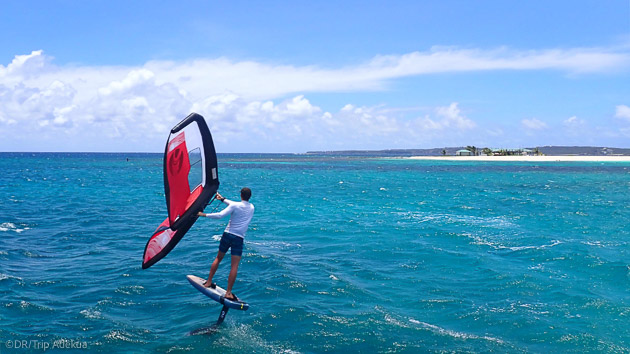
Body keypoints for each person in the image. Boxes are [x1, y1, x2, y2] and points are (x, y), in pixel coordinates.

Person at [198, 187, 254, 301]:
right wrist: (222, 199)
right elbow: (234, 204)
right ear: (249, 196)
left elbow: (220, 215)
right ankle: (228, 292)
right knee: (234, 266)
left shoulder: (235, 206)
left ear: (241, 195)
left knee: (218, 258)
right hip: (239, 238)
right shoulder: (252, 207)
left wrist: (202, 214)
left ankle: (208, 282)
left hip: (228, 235)